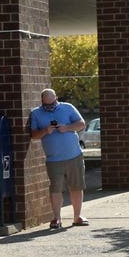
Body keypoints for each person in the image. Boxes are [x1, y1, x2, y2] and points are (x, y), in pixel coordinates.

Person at [30, 88, 89, 229]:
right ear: (42, 102)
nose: (50, 107)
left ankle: (77, 216)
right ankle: (56, 218)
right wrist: (46, 130)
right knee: (55, 188)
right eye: (46, 105)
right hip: (53, 159)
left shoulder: (67, 108)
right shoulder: (36, 113)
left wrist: (67, 127)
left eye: (52, 103)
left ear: (56, 98)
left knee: (76, 186)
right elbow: (33, 135)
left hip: (74, 155)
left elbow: (81, 124)